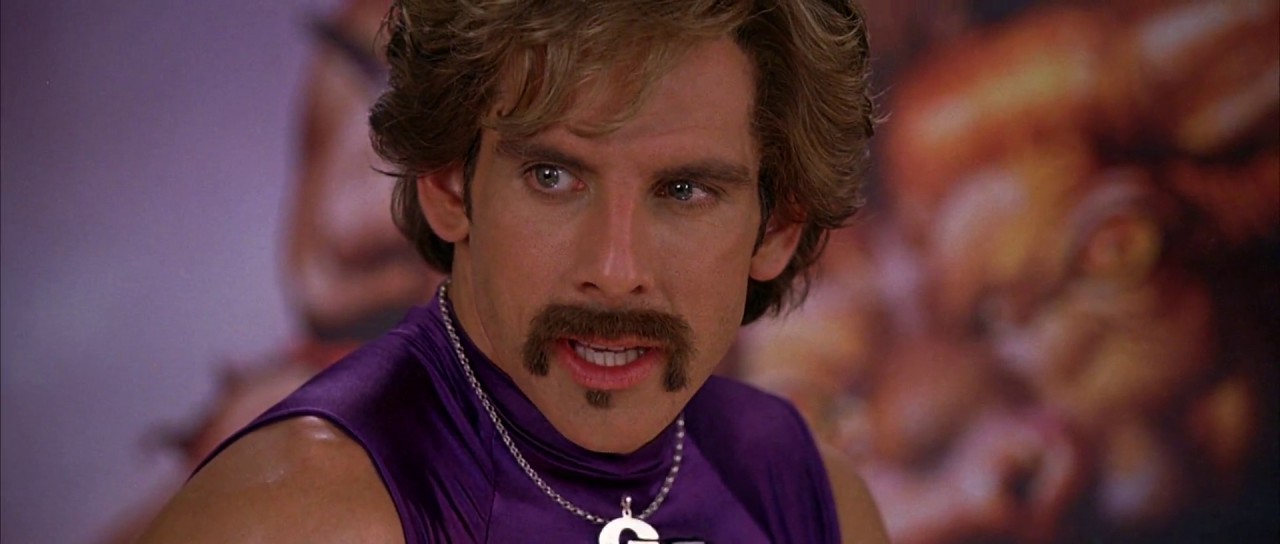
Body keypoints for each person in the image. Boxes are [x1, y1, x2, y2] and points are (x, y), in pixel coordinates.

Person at [137, 0, 888, 542]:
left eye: (684, 190)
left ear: (777, 229)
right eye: (553, 177)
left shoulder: (814, 497)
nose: (615, 270)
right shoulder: (294, 518)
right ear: (447, 186)